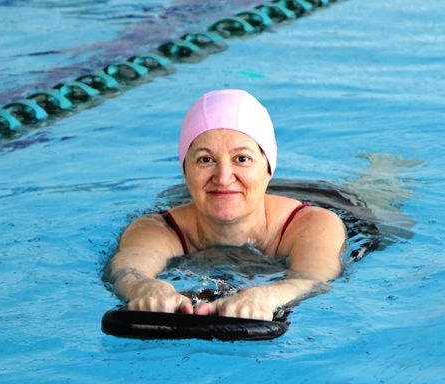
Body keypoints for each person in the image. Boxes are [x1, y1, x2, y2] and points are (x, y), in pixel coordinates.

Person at [109, 89, 346, 321]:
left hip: (338, 199)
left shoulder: (315, 224)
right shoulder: (156, 229)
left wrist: (268, 295)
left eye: (242, 159)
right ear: (185, 170)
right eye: (206, 159)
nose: (223, 177)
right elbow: (127, 271)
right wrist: (145, 287)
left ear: (268, 167)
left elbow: (314, 280)